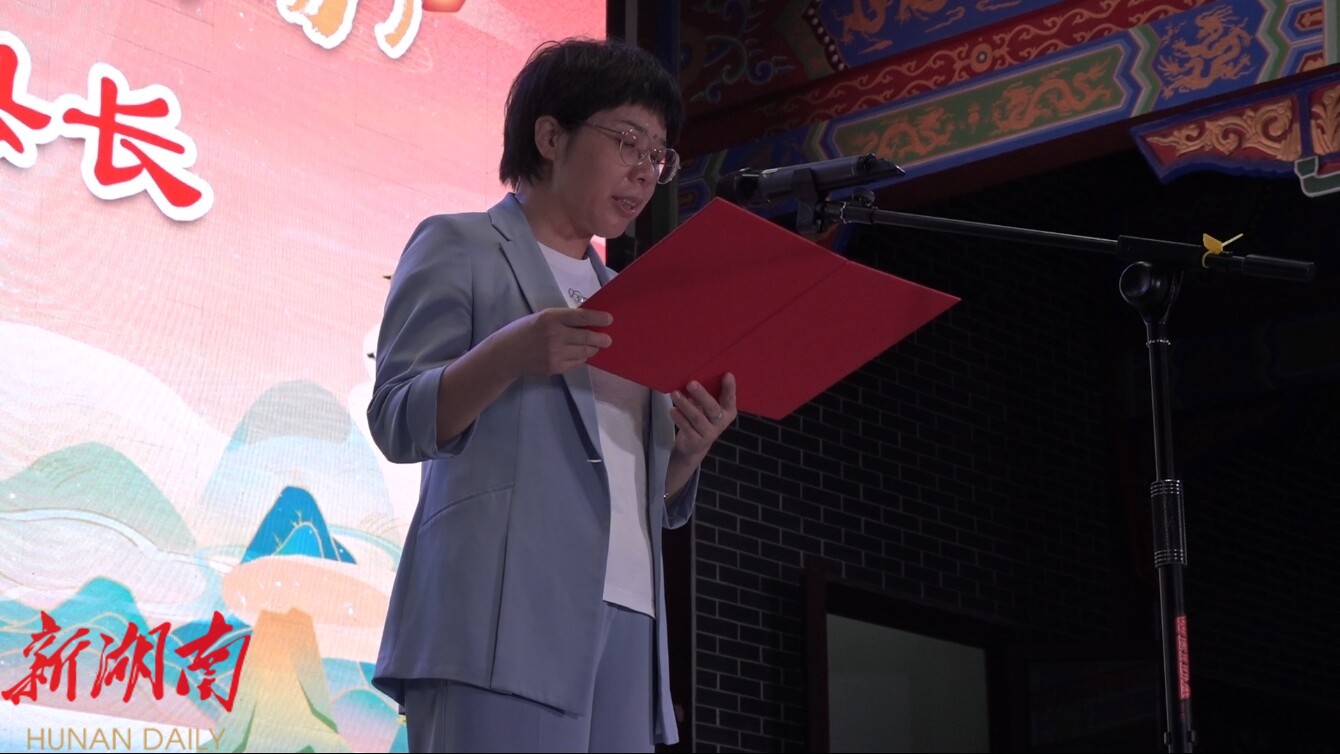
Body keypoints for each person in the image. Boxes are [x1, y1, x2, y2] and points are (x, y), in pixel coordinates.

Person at [367, 37, 737, 752]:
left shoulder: (633, 298)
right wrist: (508, 356)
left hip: (631, 615)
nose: (643, 171)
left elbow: (628, 484)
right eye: (627, 141)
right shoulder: (460, 245)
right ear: (550, 136)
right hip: (499, 616)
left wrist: (687, 453)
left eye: (658, 155)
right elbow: (395, 417)